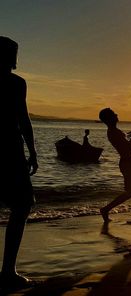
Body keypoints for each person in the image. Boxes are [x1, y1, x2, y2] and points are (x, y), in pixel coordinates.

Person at [0, 36, 38, 289]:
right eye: (14, 52)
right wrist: (33, 151)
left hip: (9, 149)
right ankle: (8, 271)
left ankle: (6, 271)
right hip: (9, 149)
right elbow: (23, 119)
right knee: (23, 204)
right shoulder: (15, 83)